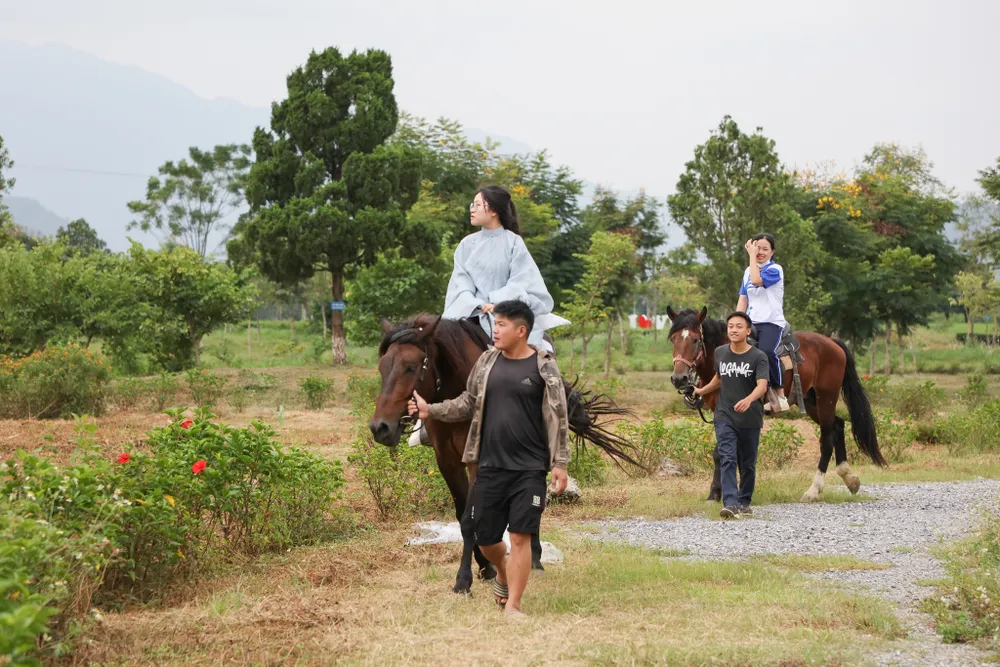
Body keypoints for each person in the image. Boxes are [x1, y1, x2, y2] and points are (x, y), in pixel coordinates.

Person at [408, 299, 570, 617]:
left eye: (502, 325)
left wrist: (560, 462)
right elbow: (468, 402)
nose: (495, 330)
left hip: (529, 466)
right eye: (494, 324)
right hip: (489, 463)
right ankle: (502, 569)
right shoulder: (486, 362)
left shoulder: (543, 364)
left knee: (521, 535)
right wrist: (431, 410)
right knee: (486, 539)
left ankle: (513, 605)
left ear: (522, 331)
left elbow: (558, 414)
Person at [409, 184, 568, 446]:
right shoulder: (466, 245)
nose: (471, 209)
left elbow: (523, 281)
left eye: (476, 204)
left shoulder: (514, 243)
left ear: (492, 210)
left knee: (540, 353)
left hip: (508, 312)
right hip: (469, 313)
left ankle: (544, 419)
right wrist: (476, 304)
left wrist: (496, 302)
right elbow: (459, 284)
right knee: (435, 350)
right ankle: (425, 422)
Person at [693, 311, 769, 519]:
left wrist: (749, 400)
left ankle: (744, 501)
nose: (734, 330)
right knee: (727, 456)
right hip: (725, 415)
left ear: (747, 330)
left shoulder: (758, 357)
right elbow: (719, 378)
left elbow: (762, 386)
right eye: (730, 326)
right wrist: (702, 390)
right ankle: (730, 502)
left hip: (750, 417)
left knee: (748, 462)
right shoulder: (720, 353)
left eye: (738, 326)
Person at [736, 232, 789, 413]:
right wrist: (736, 321)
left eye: (765, 249)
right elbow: (743, 298)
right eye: (757, 248)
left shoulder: (775, 270)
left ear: (772, 252)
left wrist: (751, 256)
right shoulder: (746, 272)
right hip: (751, 322)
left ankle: (780, 394)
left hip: (770, 322)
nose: (760, 252)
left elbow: (757, 280)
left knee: (766, 352)